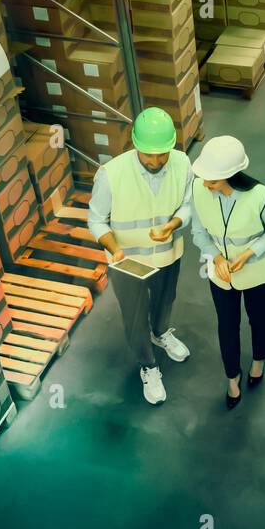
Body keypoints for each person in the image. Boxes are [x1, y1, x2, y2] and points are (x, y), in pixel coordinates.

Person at [88, 108, 193, 405]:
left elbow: (188, 205)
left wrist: (173, 224)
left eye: (163, 154)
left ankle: (160, 333)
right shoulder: (111, 175)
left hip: (167, 254)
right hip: (127, 261)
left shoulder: (183, 164)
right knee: (135, 318)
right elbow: (96, 220)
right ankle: (148, 366)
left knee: (165, 301)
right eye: (149, 154)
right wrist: (114, 248)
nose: (156, 161)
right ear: (135, 144)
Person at [190, 136, 265, 410]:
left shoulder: (261, 196)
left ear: (230, 176)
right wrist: (215, 256)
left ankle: (259, 360)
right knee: (227, 325)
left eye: (213, 181)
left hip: (258, 271)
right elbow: (198, 231)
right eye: (205, 179)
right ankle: (232, 377)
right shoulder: (198, 189)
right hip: (221, 274)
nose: (206, 186)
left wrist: (250, 253)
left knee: (259, 317)